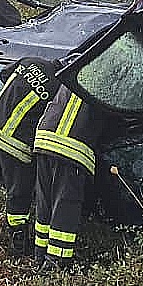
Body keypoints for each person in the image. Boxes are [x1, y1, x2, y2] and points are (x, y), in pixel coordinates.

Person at [0, 57, 59, 255]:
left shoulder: (29, 61)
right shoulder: (57, 86)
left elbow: (3, 75)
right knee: (18, 195)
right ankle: (18, 246)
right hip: (15, 146)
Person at [32, 84, 106, 271]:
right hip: (72, 146)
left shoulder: (83, 63)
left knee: (45, 201)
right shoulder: (113, 82)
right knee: (66, 205)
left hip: (45, 137)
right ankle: (56, 264)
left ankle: (39, 256)